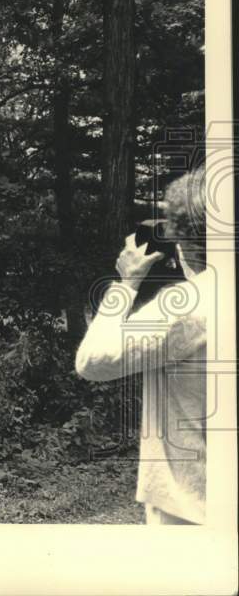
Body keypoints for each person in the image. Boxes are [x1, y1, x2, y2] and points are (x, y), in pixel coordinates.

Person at [76, 165, 209, 525]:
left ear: (183, 240)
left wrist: (127, 283)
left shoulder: (188, 306)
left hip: (191, 507)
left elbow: (93, 361)